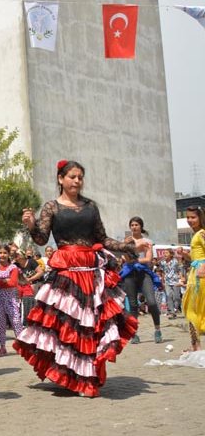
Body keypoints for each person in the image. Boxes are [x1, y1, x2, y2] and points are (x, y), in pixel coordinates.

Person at [16, 159, 146, 397]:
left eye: (80, 177)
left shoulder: (90, 206)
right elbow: (42, 240)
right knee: (68, 326)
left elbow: (103, 238)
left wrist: (128, 247)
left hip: (91, 271)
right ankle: (69, 375)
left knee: (91, 326)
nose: (77, 181)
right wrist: (32, 225)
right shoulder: (51, 207)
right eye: (72, 176)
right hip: (66, 272)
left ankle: (87, 376)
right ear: (60, 179)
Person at [120, 216, 162, 344]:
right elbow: (125, 258)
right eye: (132, 225)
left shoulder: (147, 241)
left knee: (152, 302)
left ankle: (157, 329)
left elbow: (148, 260)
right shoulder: (126, 241)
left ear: (141, 227)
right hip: (129, 274)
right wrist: (137, 249)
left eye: (136, 225)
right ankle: (134, 334)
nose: (134, 227)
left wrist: (133, 256)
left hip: (144, 273)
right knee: (133, 305)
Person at [182, 206, 205, 352]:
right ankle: (195, 345)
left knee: (192, 309)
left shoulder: (202, 233)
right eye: (188, 217)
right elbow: (196, 256)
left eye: (193, 217)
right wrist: (184, 255)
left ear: (200, 218)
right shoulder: (196, 234)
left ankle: (196, 345)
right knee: (192, 309)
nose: (190, 220)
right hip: (195, 273)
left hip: (200, 275)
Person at [0, 245, 23, 356]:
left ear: (8, 254)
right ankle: (2, 347)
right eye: (0, 252)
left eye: (5, 253)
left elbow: (13, 283)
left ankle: (21, 345)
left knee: (16, 321)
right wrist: (4, 280)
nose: (2, 255)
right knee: (0, 323)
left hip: (11, 299)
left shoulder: (13, 268)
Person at [162, 249, 185, 319]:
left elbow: (180, 270)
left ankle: (176, 308)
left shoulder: (175, 261)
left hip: (175, 281)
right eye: (164, 253)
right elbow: (163, 272)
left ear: (171, 254)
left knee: (176, 297)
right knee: (169, 296)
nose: (165, 254)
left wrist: (182, 278)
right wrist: (163, 281)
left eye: (166, 253)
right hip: (167, 281)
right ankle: (172, 312)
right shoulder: (163, 262)